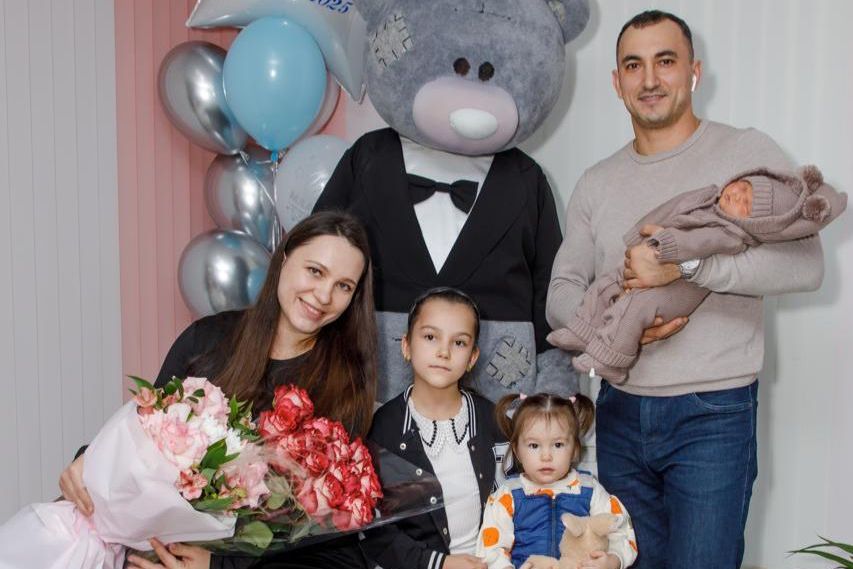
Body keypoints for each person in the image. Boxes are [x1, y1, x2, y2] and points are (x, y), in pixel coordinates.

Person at [545, 10, 824, 569]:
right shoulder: (597, 181)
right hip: (620, 411)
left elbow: (806, 265)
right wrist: (619, 329)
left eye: (665, 61)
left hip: (713, 412)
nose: (650, 79)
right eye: (634, 65)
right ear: (617, 82)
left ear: (694, 72)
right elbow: (561, 291)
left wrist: (689, 268)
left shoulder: (742, 152)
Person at [58, 211, 379, 569]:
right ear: (285, 258)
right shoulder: (206, 340)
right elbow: (142, 437)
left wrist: (217, 567)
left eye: (343, 286)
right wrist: (88, 462)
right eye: (315, 271)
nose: (323, 295)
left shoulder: (345, 387)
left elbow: (326, 544)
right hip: (143, 549)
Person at [549, 166, 846, 380]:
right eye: (742, 187)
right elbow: (670, 209)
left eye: (746, 204)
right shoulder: (596, 179)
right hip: (620, 405)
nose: (737, 195)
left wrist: (675, 260)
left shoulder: (730, 232)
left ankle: (612, 361)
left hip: (713, 400)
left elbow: (809, 269)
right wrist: (636, 236)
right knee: (607, 283)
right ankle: (583, 330)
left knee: (634, 308)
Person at [362, 287, 508, 569]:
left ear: (472, 357)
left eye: (459, 342)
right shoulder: (384, 429)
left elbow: (524, 496)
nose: (444, 352)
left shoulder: (494, 421)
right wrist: (439, 564)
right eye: (430, 337)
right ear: (406, 346)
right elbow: (375, 531)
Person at [475, 393, 636, 569]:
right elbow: (491, 548)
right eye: (534, 445)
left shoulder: (589, 489)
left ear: (574, 449)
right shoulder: (507, 496)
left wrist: (613, 560)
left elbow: (620, 529)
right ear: (517, 451)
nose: (546, 456)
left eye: (558, 445)